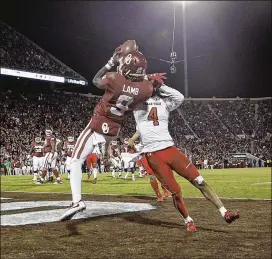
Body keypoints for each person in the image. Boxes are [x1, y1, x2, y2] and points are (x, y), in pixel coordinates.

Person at [128, 78, 240, 232]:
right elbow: (127, 99)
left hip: (170, 149)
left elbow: (180, 97)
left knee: (200, 181)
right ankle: (188, 220)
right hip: (153, 155)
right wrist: (141, 81)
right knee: (176, 192)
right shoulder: (137, 103)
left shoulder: (164, 102)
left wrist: (161, 86)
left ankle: (225, 213)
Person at [60, 44, 155, 221]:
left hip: (98, 123)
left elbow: (95, 80)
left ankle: (77, 201)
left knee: (75, 160)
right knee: (91, 154)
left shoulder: (114, 78)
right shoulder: (146, 88)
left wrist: (111, 61)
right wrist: (148, 77)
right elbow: (142, 85)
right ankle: (105, 151)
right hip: (113, 130)